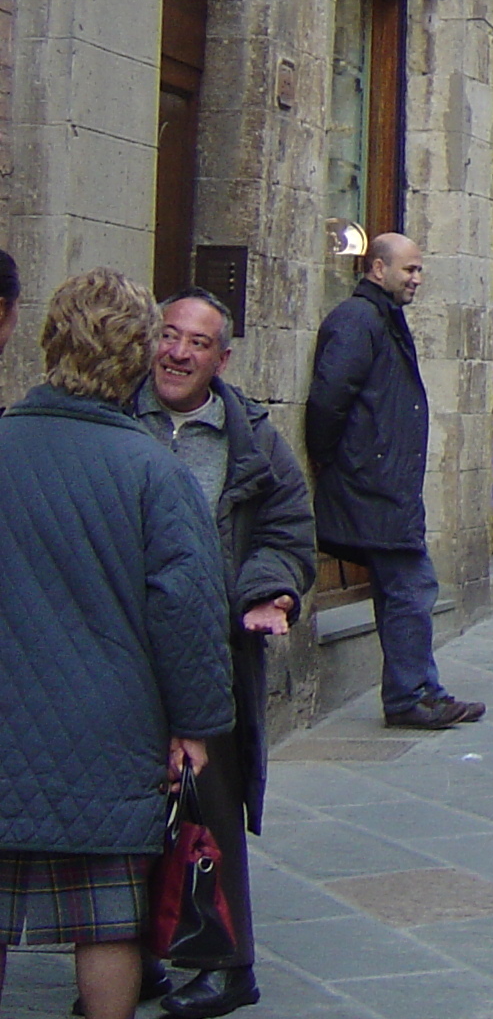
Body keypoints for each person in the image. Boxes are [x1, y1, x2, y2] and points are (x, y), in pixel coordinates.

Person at [0, 270, 232, 1019]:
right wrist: (197, 725)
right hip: (109, 730)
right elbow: (188, 612)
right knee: (106, 916)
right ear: (137, 355)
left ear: (46, 340)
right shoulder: (154, 472)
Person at [123, 292, 315, 1019]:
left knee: (210, 806)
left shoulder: (253, 438)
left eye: (195, 343)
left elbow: (287, 532)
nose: (176, 353)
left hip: (214, 651)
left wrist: (268, 591)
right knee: (127, 808)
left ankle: (225, 963)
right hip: (127, 647)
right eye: (167, 336)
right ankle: (130, 956)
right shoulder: (121, 416)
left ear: (221, 359)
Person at [306, 233, 483, 729]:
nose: (417, 279)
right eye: (409, 270)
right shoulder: (359, 320)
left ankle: (420, 689)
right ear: (377, 269)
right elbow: (328, 399)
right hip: (374, 482)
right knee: (411, 585)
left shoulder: (379, 318)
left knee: (404, 588)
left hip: (384, 481)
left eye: (419, 270)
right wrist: (335, 458)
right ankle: (412, 694)